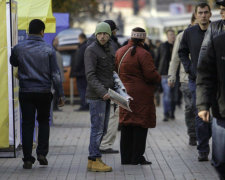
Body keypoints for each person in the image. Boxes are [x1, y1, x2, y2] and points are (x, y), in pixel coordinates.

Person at [10, 19, 64, 169]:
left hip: (26, 91)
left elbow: (13, 62)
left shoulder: (19, 48)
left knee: (27, 123)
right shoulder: (48, 49)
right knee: (44, 122)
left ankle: (27, 158)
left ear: (28, 31)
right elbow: (56, 74)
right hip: (44, 92)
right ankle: (41, 153)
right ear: (42, 31)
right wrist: (61, 94)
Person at [115, 27, 161, 165]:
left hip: (123, 93)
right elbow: (150, 74)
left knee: (126, 125)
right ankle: (137, 157)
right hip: (141, 95)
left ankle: (125, 158)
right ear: (143, 39)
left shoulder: (119, 51)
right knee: (140, 125)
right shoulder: (144, 53)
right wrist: (158, 79)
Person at [178, 2, 212, 161]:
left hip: (217, 80)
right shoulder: (189, 33)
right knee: (200, 115)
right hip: (196, 80)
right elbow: (182, 52)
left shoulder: (218, 30)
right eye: (201, 12)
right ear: (196, 15)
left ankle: (216, 147)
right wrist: (189, 68)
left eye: (206, 12)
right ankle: (203, 150)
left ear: (210, 14)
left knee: (217, 116)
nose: (203, 15)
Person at [85, 22, 115, 172]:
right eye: (100, 33)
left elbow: (110, 73)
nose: (102, 36)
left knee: (102, 129)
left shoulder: (108, 49)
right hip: (97, 96)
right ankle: (94, 158)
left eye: (105, 33)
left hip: (107, 96)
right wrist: (103, 92)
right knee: (97, 129)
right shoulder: (91, 50)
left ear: (109, 35)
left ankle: (93, 160)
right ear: (96, 35)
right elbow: (90, 76)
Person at [196, 32, 225, 180]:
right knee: (220, 159)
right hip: (222, 110)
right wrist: (203, 105)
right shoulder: (218, 42)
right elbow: (205, 76)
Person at [168, 13, 197, 146]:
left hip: (205, 79)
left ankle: (202, 133)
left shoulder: (209, 33)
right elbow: (175, 59)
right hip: (186, 79)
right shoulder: (182, 36)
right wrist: (171, 76)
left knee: (203, 108)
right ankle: (192, 134)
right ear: (192, 21)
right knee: (190, 107)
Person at [99, 19, 120, 154]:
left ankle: (99, 143)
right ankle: (105, 144)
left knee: (101, 117)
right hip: (108, 86)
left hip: (97, 87)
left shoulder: (92, 44)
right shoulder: (111, 45)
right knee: (113, 114)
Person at [155, 29, 176, 121]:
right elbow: (157, 59)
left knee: (174, 96)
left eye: (173, 34)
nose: (172, 36)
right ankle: (166, 113)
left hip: (175, 75)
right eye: (170, 35)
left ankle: (172, 112)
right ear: (167, 36)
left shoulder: (178, 46)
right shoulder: (163, 46)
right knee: (167, 94)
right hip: (165, 74)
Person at [71, 33, 89, 111]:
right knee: (84, 89)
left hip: (81, 73)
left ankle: (84, 105)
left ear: (81, 38)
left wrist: (75, 70)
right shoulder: (86, 46)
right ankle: (86, 104)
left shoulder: (82, 48)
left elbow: (78, 61)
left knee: (82, 89)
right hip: (84, 72)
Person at [52, 37, 65, 111]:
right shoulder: (53, 51)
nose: (58, 42)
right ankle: (54, 107)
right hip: (56, 75)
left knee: (56, 92)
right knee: (55, 91)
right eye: (56, 40)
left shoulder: (56, 51)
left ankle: (55, 106)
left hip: (58, 75)